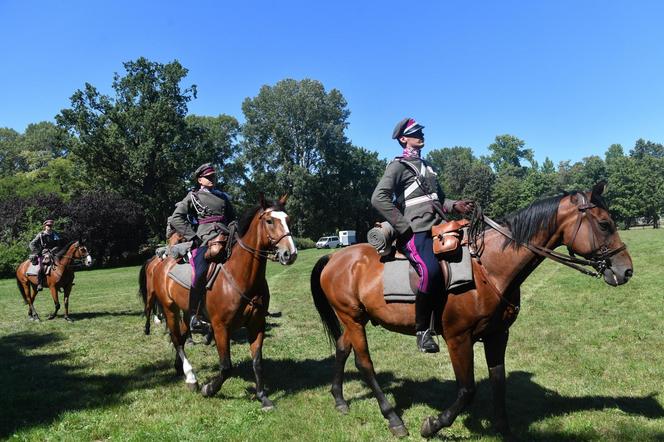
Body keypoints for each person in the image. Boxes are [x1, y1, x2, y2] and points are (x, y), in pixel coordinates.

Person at [371, 118, 474, 353]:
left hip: (439, 228)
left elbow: (437, 199)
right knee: (430, 270)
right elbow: (378, 197)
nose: (420, 135)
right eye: (415, 133)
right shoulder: (397, 166)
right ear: (403, 139)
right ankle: (423, 331)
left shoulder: (427, 166)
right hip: (414, 233)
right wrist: (402, 225)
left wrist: (455, 204)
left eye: (421, 132)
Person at [169, 163, 236, 334]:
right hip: (205, 239)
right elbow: (177, 218)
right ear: (200, 180)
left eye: (213, 176)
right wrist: (194, 237)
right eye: (208, 177)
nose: (212, 179)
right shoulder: (193, 197)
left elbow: (232, 218)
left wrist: (235, 229)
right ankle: (194, 315)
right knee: (199, 272)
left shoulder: (223, 197)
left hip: (228, 236)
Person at [29, 219, 62, 291]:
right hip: (44, 253)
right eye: (48, 225)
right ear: (45, 226)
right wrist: (36, 251)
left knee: (63, 264)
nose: (49, 227)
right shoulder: (41, 235)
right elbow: (32, 244)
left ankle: (63, 282)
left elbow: (58, 244)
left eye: (51, 225)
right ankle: (40, 284)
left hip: (54, 253)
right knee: (42, 267)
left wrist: (55, 249)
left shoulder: (55, 234)